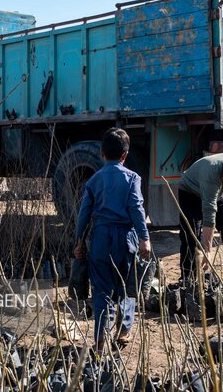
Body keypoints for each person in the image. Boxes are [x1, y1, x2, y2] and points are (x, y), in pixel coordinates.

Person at [74, 128, 151, 352]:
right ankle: (124, 331)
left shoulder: (94, 180)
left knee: (101, 290)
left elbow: (84, 213)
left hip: (100, 240)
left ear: (101, 153)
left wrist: (79, 241)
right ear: (125, 155)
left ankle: (99, 341)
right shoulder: (132, 178)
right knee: (127, 286)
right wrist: (144, 238)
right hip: (126, 240)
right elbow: (136, 208)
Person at [178, 152, 223, 284]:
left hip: (217, 194)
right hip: (190, 193)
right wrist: (207, 250)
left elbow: (216, 199)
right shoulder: (212, 175)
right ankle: (187, 280)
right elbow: (209, 215)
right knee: (191, 236)